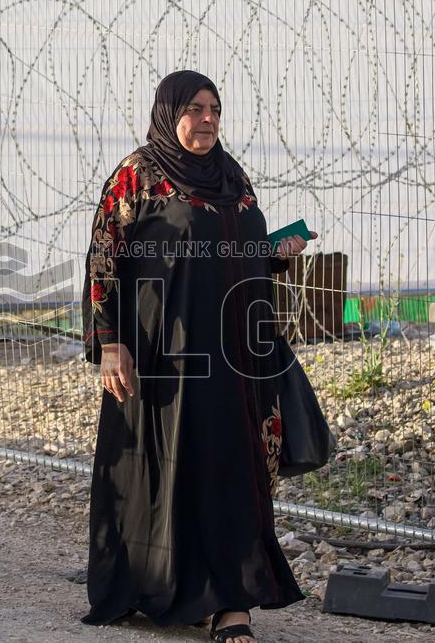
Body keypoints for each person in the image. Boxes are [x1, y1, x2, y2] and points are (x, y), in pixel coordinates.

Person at [82, 70, 313, 642]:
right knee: (170, 470)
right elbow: (103, 260)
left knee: (231, 468)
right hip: (164, 357)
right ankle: (163, 584)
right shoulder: (137, 175)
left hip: (235, 356)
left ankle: (232, 603)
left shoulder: (231, 174)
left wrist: (276, 254)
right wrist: (110, 343)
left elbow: (235, 250)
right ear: (169, 113)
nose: (207, 119)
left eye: (214, 109)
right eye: (194, 109)